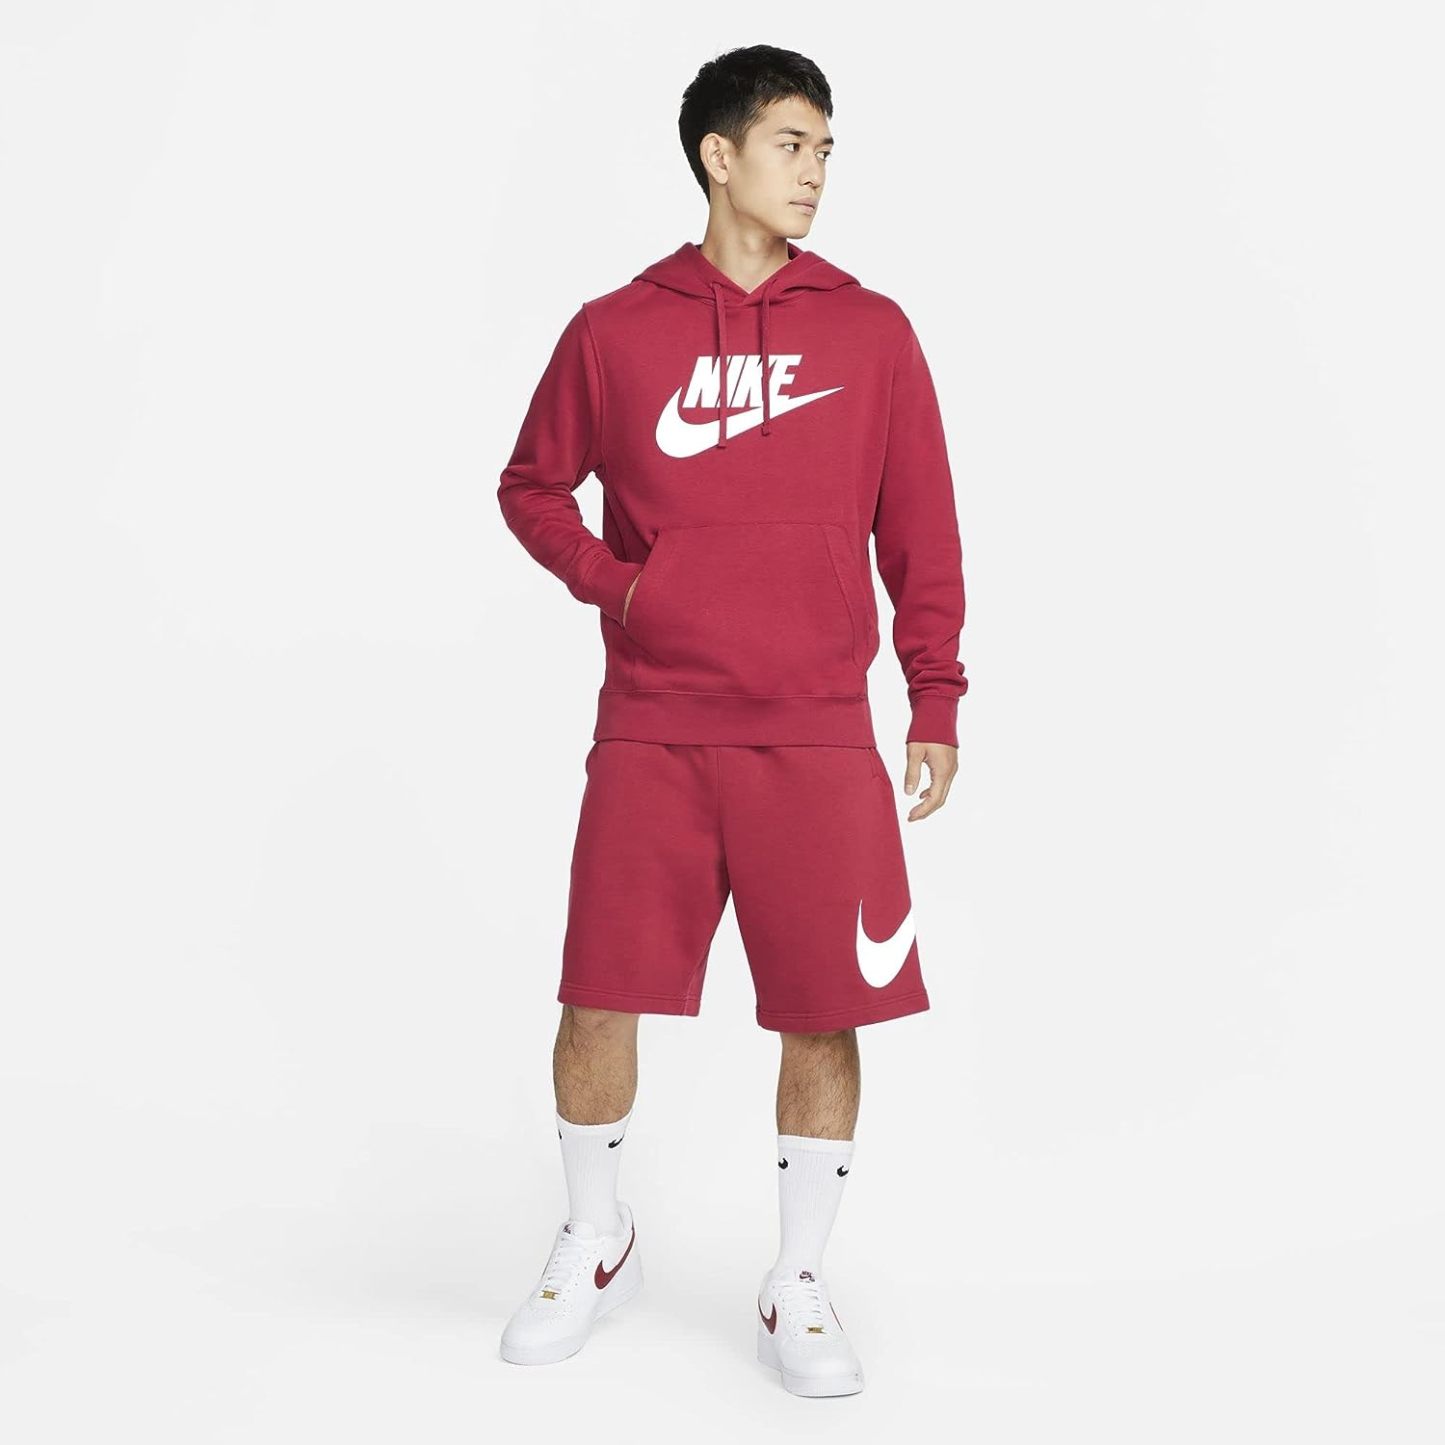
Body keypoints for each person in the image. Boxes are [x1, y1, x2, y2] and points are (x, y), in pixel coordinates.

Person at [493, 44, 967, 1397]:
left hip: (817, 725)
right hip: (653, 720)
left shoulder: (872, 332)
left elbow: (921, 526)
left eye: (826, 150)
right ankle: (596, 1236)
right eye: (791, 144)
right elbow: (532, 486)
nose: (815, 172)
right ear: (719, 154)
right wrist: (625, 587)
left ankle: (797, 1278)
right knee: (600, 992)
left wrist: (933, 689)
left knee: (823, 1009)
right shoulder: (614, 329)